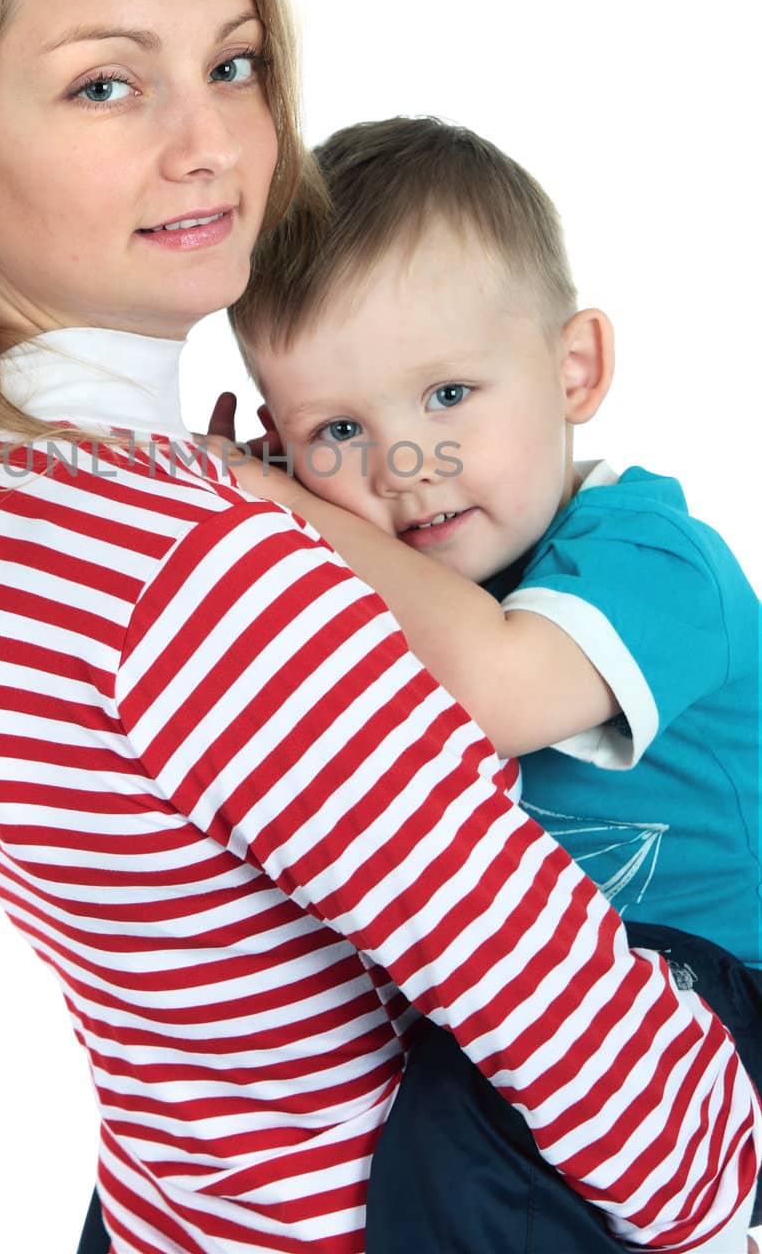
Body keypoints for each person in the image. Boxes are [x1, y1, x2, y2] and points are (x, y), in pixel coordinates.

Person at [0, 0, 759, 1254]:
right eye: (107, 84)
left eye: (232, 65)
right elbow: (623, 1096)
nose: (211, 144)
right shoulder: (198, 558)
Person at [226, 112, 762, 1239]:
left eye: (448, 396)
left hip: (713, 998)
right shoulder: (393, 581)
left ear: (574, 369)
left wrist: (270, 504)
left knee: (468, 1131)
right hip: (514, 981)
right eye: (334, 430)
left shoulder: (654, 558)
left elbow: (499, 690)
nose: (400, 468)